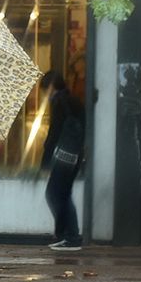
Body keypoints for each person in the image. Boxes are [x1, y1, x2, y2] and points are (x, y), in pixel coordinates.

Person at [40, 71, 85, 251]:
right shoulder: (74, 100)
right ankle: (68, 235)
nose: (45, 94)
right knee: (62, 194)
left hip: (63, 157)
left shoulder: (58, 102)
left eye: (45, 89)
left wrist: (45, 160)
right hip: (75, 155)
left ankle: (70, 236)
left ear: (51, 86)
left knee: (54, 194)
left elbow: (54, 133)